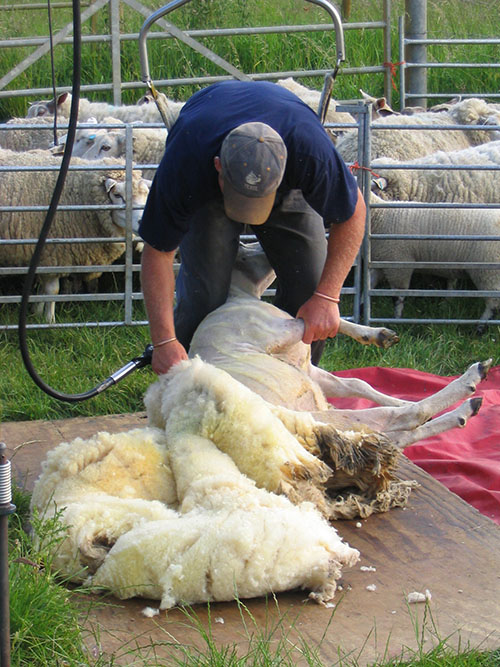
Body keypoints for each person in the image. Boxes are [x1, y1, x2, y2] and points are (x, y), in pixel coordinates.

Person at [139, 80, 366, 376]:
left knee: (309, 280)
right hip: (208, 184)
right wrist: (164, 342)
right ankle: (189, 384)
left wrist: (326, 297)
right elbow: (157, 251)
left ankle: (293, 379)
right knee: (205, 294)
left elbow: (353, 213)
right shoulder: (187, 159)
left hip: (284, 181)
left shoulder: (309, 152)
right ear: (218, 166)